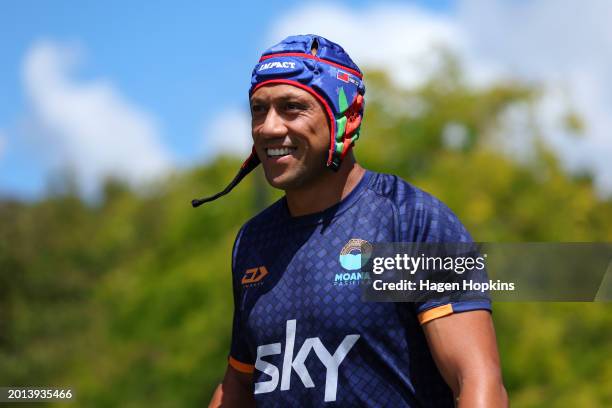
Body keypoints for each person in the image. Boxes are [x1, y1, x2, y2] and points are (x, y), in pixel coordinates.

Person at [195, 34, 508, 407]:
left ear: (346, 117)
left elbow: (476, 382)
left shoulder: (409, 222)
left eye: (291, 108)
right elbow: (239, 385)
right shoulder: (253, 241)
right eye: (259, 110)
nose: (268, 127)